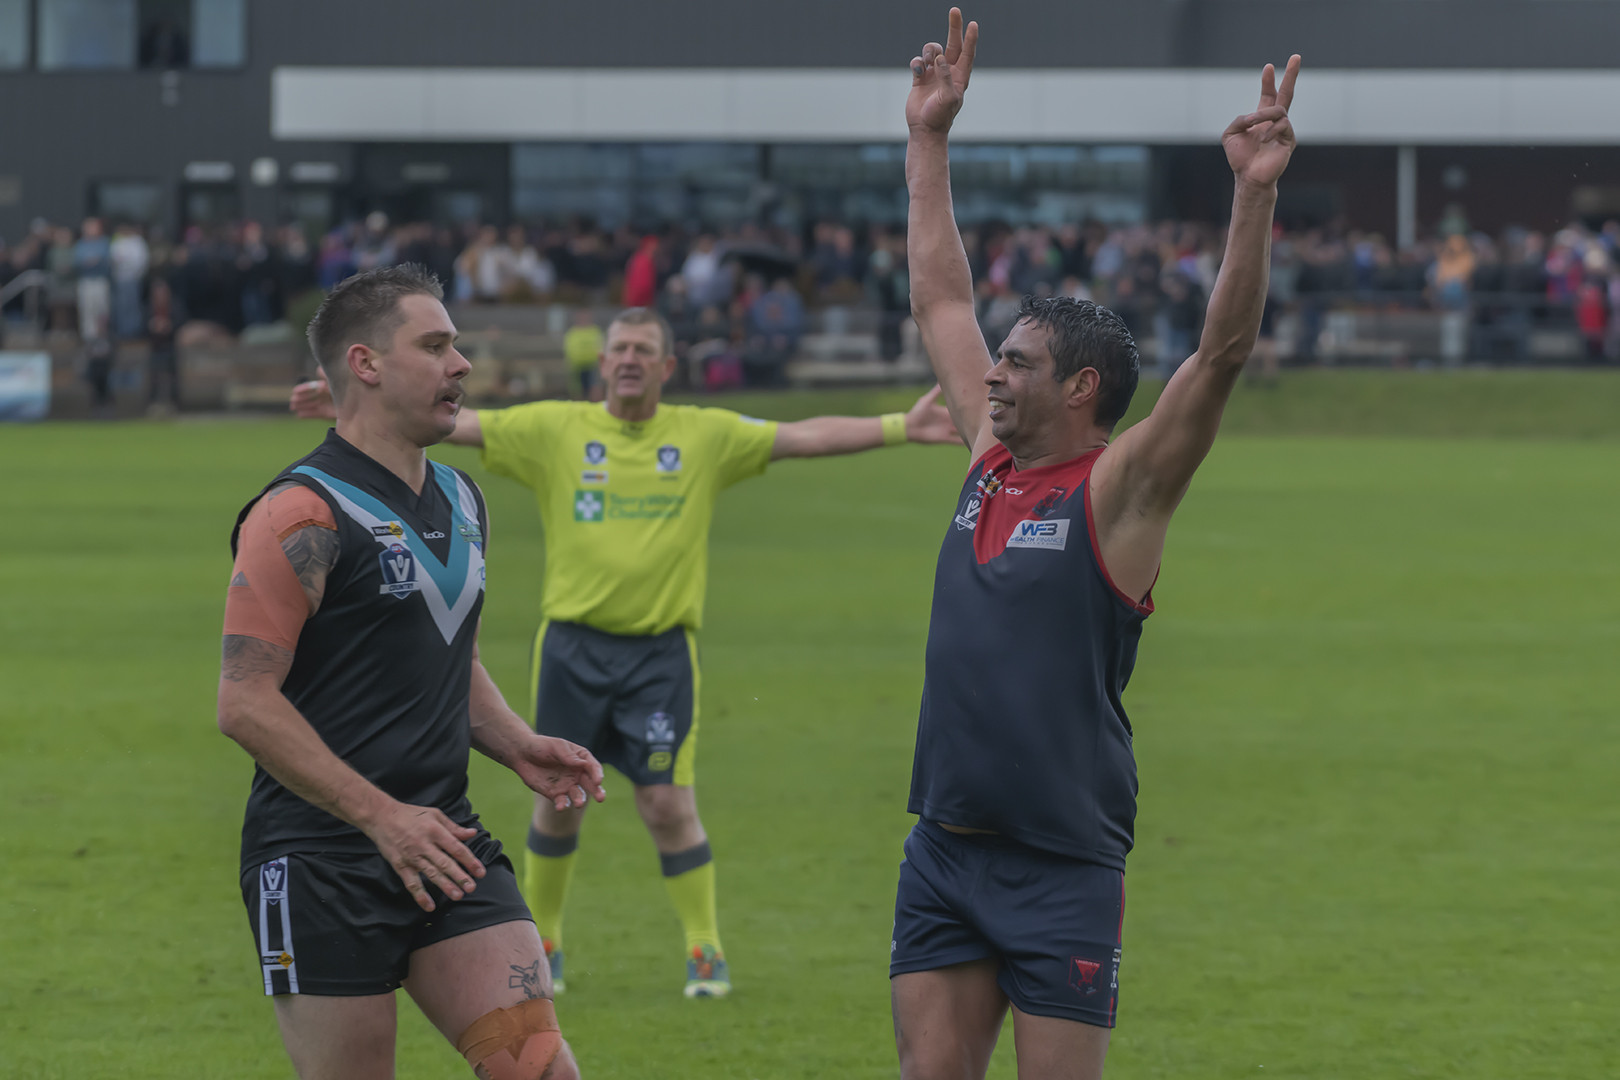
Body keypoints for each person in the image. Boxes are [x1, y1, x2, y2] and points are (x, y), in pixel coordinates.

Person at [290, 305, 962, 998]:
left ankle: (704, 950)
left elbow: (801, 435)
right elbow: (458, 422)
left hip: (661, 656)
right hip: (572, 650)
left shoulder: (702, 435)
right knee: (558, 800)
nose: (630, 359)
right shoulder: (557, 429)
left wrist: (900, 428)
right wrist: (354, 405)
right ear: (602, 362)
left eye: (644, 348)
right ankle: (544, 944)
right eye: (620, 349)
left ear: (667, 367)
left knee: (667, 805)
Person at [895, 11, 1300, 1079]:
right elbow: (941, 293)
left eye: (1017, 364)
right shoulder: (988, 460)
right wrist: (928, 140)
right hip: (943, 848)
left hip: (1061, 866)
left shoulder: (1115, 494)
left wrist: (1252, 194)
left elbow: (1218, 357)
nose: (990, 376)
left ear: (1081, 388)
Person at [221, 264, 606, 1080]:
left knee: (542, 1071)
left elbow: (440, 646)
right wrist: (380, 816)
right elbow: (244, 704)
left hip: (445, 843)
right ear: (365, 364)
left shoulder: (464, 498)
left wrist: (515, 742)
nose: (460, 365)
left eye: (456, 346)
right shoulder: (299, 514)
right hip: (320, 860)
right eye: (434, 346)